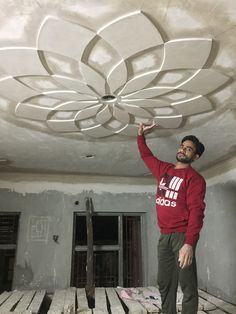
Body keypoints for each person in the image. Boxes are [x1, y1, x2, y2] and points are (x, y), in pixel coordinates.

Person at [137, 122, 206, 314]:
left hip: (182, 237)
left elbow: (197, 211)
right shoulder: (164, 170)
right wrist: (141, 135)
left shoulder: (195, 179)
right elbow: (146, 155)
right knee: (164, 282)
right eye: (183, 146)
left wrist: (189, 243)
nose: (184, 150)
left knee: (187, 283)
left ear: (195, 156)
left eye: (189, 149)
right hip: (164, 237)